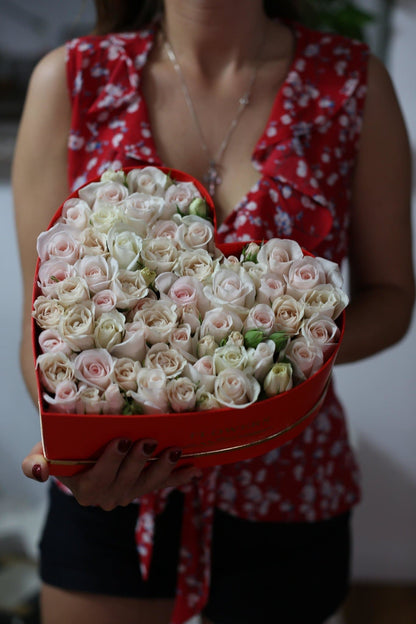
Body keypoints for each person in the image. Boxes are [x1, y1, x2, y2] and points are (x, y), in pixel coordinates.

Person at [14, 1, 414, 623]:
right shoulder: (71, 80)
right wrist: (72, 449)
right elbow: (37, 326)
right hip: (115, 484)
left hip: (289, 484)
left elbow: (392, 297)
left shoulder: (350, 83)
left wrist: (278, 362)